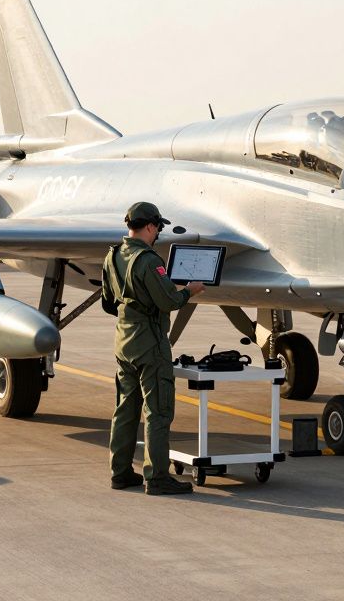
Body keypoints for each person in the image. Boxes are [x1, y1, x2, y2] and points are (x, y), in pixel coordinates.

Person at [102, 201, 205, 494]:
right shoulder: (149, 261)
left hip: (124, 342)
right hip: (150, 343)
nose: (158, 232)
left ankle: (120, 472)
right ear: (149, 226)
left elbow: (109, 302)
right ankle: (157, 477)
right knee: (158, 410)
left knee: (125, 409)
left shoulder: (113, 256)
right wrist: (190, 290)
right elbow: (169, 302)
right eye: (158, 227)